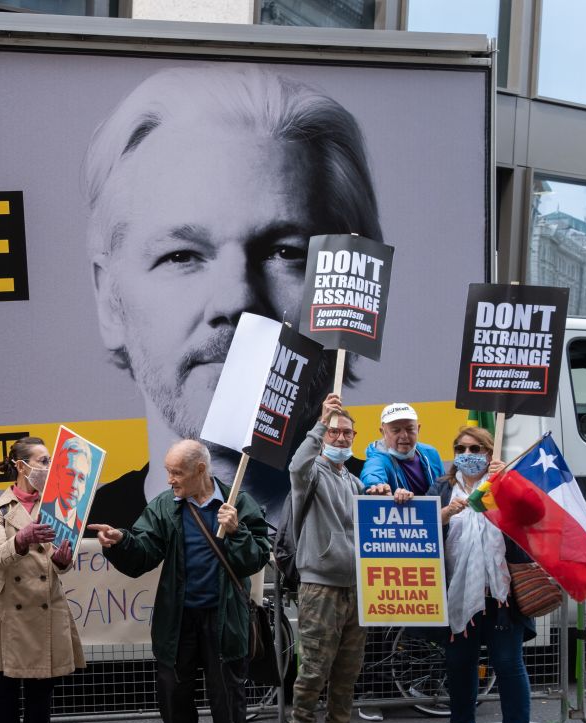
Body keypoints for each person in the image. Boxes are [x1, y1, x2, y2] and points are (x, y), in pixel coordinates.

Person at [83, 64, 383, 530]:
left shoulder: (401, 524)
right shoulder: (61, 552)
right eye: (181, 255)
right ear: (109, 300)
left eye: (286, 252)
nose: (236, 299)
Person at [89, 439, 270, 723]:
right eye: (169, 471)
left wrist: (237, 532)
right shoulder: (164, 507)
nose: (170, 479)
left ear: (200, 470)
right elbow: (144, 552)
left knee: (227, 698)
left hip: (225, 618)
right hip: (178, 619)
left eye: (177, 472)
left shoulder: (237, 504)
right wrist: (120, 541)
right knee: (174, 697)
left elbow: (257, 558)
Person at [0, 437, 84, 723]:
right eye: (41, 460)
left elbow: (59, 561)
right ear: (21, 466)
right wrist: (20, 539)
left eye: (49, 459)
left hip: (46, 607)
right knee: (4, 695)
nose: (47, 466)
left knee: (40, 697)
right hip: (7, 609)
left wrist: (63, 562)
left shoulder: (58, 504)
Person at [427, 427, 533, 723]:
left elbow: (534, 516)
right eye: (460, 447)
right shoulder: (443, 488)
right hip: (457, 592)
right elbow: (418, 527)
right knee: (458, 662)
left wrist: (510, 483)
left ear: (489, 453)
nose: (466, 452)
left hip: (501, 595)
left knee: (507, 664)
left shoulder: (504, 483)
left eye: (475, 447)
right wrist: (443, 515)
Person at [285, 394, 372, 723]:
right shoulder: (313, 474)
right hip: (320, 587)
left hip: (356, 588)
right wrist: (319, 422)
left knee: (348, 670)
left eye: (346, 433)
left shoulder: (353, 482)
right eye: (334, 432)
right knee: (315, 667)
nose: (340, 438)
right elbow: (296, 466)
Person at [361, 403, 445, 500]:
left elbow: (445, 490)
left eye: (410, 429)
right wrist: (376, 486)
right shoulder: (378, 458)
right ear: (383, 432)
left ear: (418, 429)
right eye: (396, 430)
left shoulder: (431, 454)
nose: (404, 435)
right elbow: (372, 472)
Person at [38, 435, 93, 545]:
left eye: (81, 478)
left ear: (86, 486)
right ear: (58, 473)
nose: (74, 484)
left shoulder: (87, 528)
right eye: (70, 474)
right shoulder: (37, 516)